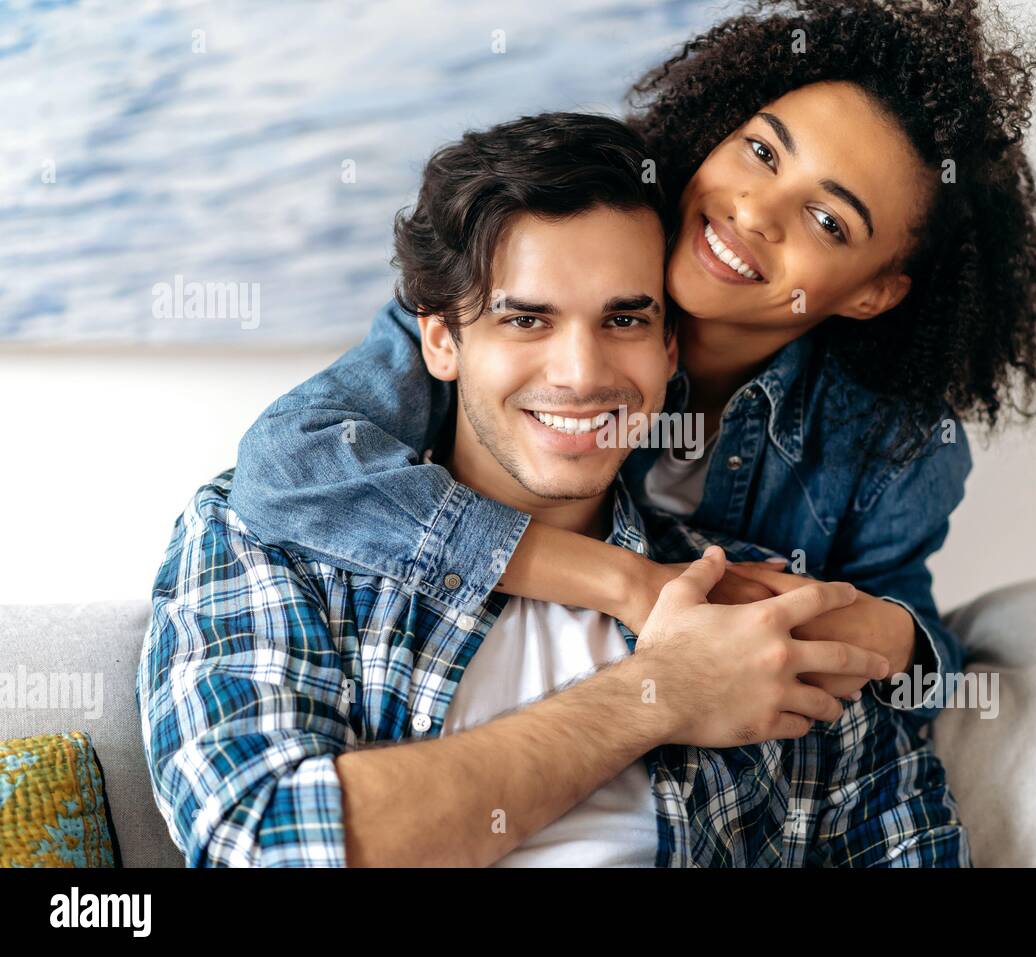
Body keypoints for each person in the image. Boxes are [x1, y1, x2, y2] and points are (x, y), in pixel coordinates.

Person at [138, 112, 968, 868]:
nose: (581, 374)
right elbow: (262, 842)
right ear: (439, 337)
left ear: (669, 347)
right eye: (526, 319)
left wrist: (882, 632)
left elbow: (906, 810)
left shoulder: (753, 607)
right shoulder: (277, 537)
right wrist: (660, 693)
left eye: (625, 320)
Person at [227, 0, 1036, 727]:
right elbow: (287, 466)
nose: (753, 210)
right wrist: (631, 582)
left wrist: (883, 634)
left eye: (827, 220)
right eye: (763, 153)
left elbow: (916, 652)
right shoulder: (528, 274)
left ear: (873, 292)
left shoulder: (894, 449)